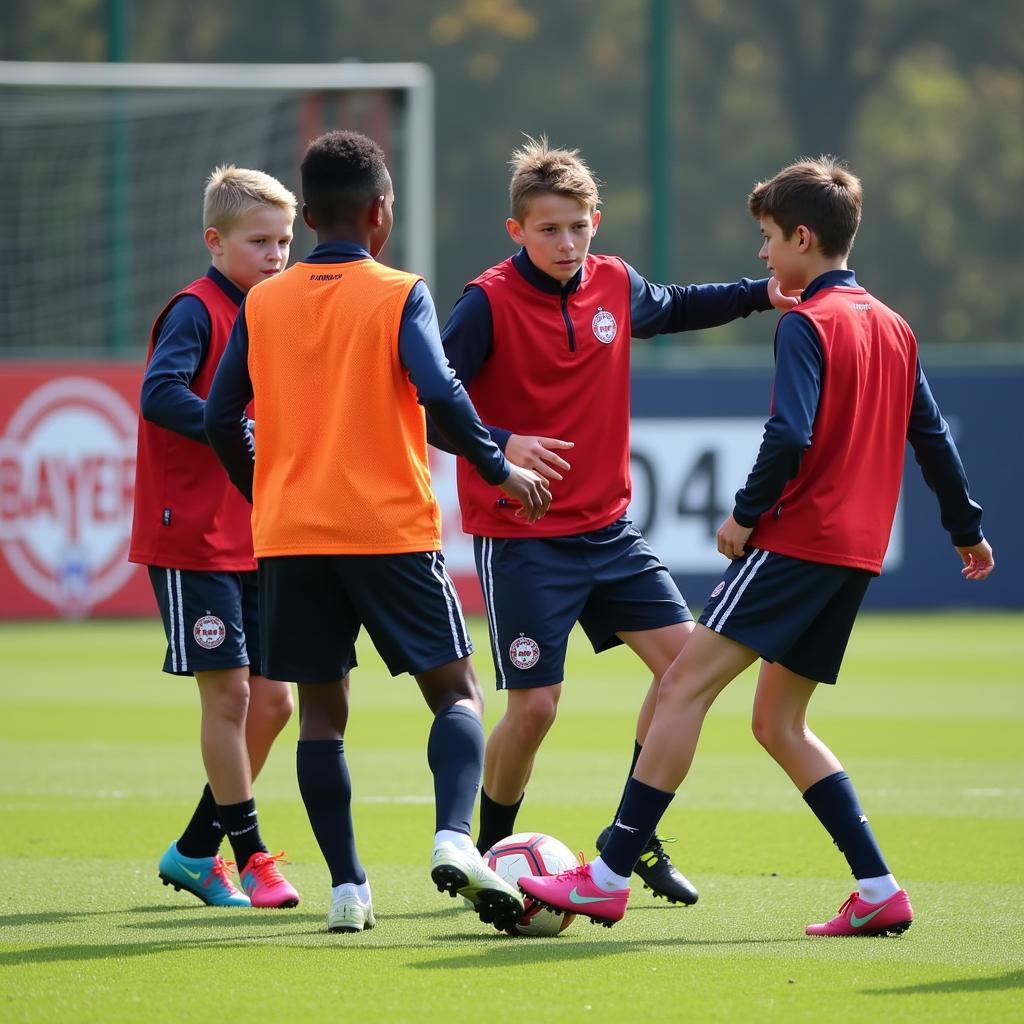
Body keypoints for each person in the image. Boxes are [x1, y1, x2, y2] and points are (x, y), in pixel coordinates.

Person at [519, 155, 995, 935]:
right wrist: (966, 527)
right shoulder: (893, 325)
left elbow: (790, 433)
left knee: (680, 687)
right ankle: (878, 889)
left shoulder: (807, 321)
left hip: (799, 540)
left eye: (770, 239)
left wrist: (745, 514)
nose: (764, 256)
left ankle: (607, 874)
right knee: (779, 723)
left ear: (804, 238)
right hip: (857, 554)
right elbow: (931, 437)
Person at [204, 129, 552, 934]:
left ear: (313, 214)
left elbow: (223, 415)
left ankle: (347, 890)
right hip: (390, 530)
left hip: (292, 536)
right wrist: (499, 468)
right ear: (379, 214)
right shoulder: (400, 292)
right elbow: (439, 391)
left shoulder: (262, 299)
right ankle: (452, 839)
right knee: (457, 693)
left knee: (322, 715)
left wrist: (266, 489)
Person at [437, 136, 795, 905]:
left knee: (683, 676)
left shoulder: (613, 283)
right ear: (516, 232)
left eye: (578, 226)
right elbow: (424, 401)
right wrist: (500, 446)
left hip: (610, 532)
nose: (566, 243)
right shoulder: (486, 302)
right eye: (548, 229)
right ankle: (492, 850)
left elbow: (680, 305)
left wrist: (764, 294)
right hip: (523, 536)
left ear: (596, 220)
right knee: (535, 708)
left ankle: (628, 841)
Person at [129, 165, 300, 909]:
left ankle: (198, 850)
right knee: (229, 695)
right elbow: (159, 393)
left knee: (276, 704)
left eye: (285, 240)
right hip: (192, 536)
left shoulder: (277, 312)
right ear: (215, 241)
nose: (276, 255)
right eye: (260, 241)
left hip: (257, 535)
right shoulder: (196, 311)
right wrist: (231, 423)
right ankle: (252, 854)